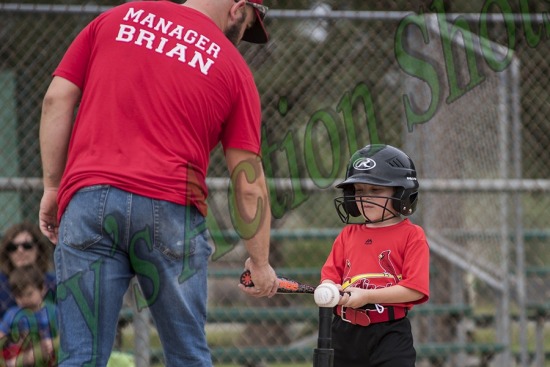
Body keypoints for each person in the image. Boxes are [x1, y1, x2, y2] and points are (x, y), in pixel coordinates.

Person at [38, 0, 277, 365]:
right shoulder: (234, 68)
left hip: (90, 199)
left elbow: (57, 99)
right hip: (172, 211)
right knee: (187, 356)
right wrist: (260, 262)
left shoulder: (116, 18)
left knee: (81, 357)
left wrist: (54, 188)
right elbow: (247, 180)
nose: (243, 36)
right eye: (247, 25)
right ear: (237, 8)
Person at [320, 144, 430, 367]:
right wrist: (330, 290)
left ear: (401, 192)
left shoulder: (412, 236)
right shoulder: (347, 235)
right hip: (344, 333)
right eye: (360, 191)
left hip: (389, 334)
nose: (365, 198)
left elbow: (414, 289)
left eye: (376, 190)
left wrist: (368, 296)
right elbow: (329, 278)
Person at [0, 264, 57, 367]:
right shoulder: (12, 313)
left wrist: (51, 342)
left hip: (48, 354)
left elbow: (63, 336)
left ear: (42, 289)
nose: (25, 299)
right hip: (21, 355)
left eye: (29, 294)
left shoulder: (52, 311)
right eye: (20, 296)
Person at [0, 222, 56, 318]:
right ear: (7, 253)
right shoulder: (2, 282)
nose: (20, 251)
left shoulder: (52, 282)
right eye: (13, 247)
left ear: (38, 249)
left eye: (27, 246)